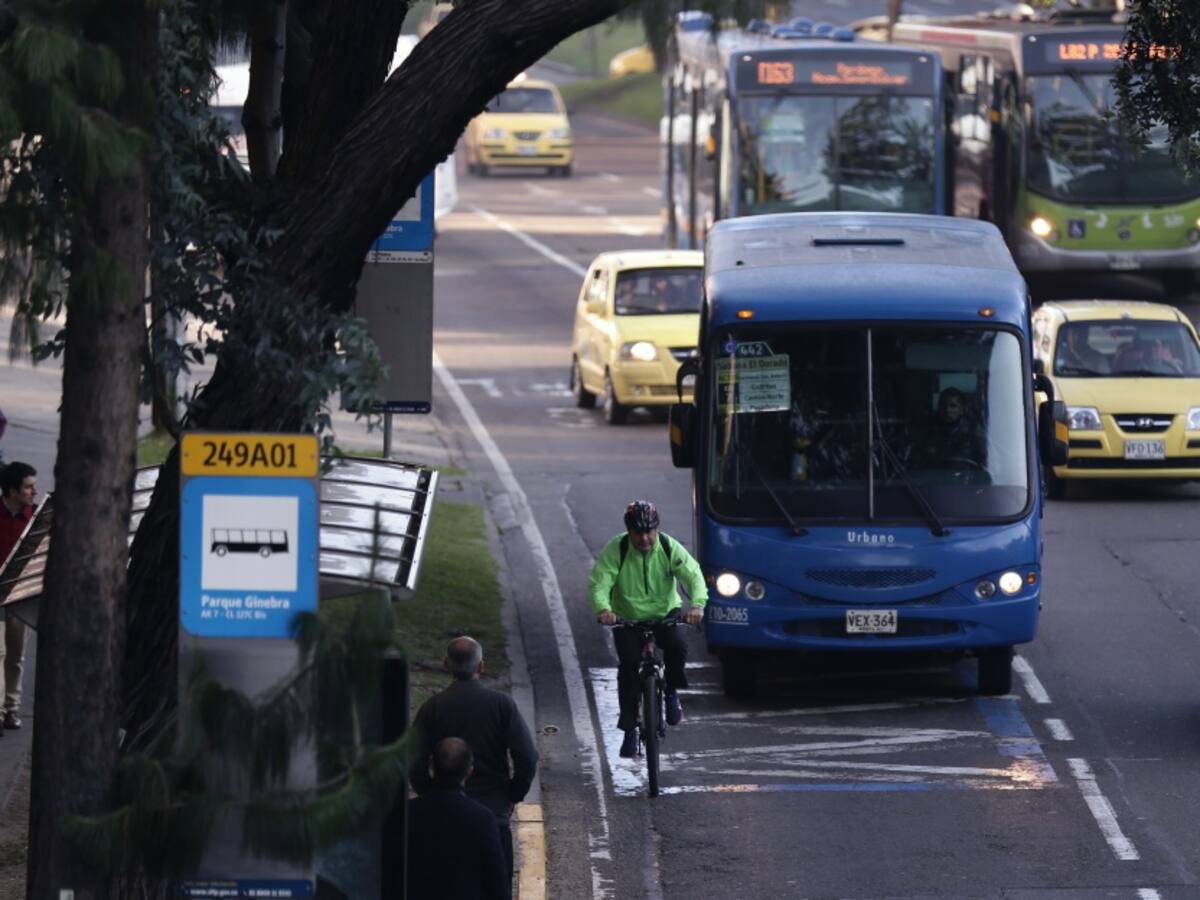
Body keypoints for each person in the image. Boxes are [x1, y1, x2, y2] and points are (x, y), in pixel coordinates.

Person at [409, 636, 538, 892]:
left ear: (446, 664)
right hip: (493, 811)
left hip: (439, 820)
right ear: (481, 666)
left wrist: (429, 794)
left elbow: (413, 760)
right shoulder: (502, 705)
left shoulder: (432, 708)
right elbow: (527, 757)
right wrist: (512, 794)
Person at [588, 500, 707, 759]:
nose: (645, 538)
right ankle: (630, 730)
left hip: (666, 614)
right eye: (638, 533)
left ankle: (672, 690)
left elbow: (693, 574)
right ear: (628, 531)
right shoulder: (617, 548)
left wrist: (697, 605)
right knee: (629, 669)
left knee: (678, 645)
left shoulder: (667, 546)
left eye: (649, 532)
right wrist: (603, 609)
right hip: (627, 618)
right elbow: (600, 581)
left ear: (657, 529)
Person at [407, 737, 508, 900]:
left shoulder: (408, 813)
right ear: (469, 771)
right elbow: (496, 883)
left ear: (432, 766)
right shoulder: (482, 818)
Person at [0, 462, 36, 733]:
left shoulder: (35, 518)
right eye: (27, 487)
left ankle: (11, 708)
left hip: (21, 595)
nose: (33, 492)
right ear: (12, 491)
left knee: (16, 655)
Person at [913, 388, 985, 471]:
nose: (947, 410)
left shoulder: (974, 432)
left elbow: (985, 462)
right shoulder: (927, 431)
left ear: (962, 409)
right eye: (943, 405)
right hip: (934, 480)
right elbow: (916, 462)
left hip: (965, 480)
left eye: (953, 406)